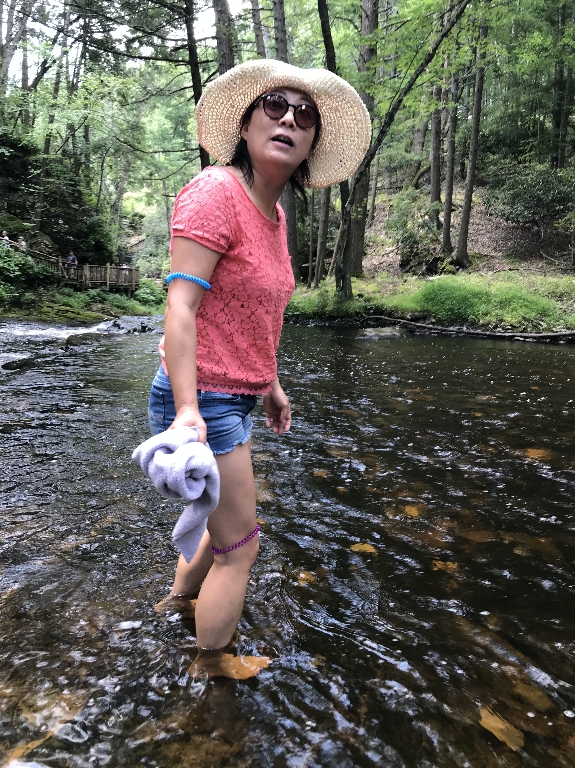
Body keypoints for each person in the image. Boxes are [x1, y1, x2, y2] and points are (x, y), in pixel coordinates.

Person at [147, 59, 371, 679]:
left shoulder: (273, 216)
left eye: (305, 115)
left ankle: (177, 603)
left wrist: (269, 382)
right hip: (203, 398)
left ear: (311, 143)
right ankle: (210, 668)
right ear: (245, 126)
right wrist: (188, 411)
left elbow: (250, 313)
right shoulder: (215, 192)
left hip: (235, 394)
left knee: (228, 527)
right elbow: (181, 306)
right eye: (275, 107)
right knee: (242, 547)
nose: (289, 120)